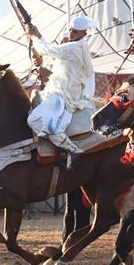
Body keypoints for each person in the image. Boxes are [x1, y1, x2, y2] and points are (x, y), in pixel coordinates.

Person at [26, 15, 97, 169]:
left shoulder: (74, 48)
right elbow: (54, 63)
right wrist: (39, 59)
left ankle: (72, 150)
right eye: (71, 31)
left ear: (84, 34)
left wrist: (36, 36)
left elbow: (52, 50)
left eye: (76, 32)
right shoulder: (74, 47)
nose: (71, 35)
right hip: (58, 89)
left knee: (36, 120)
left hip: (63, 93)